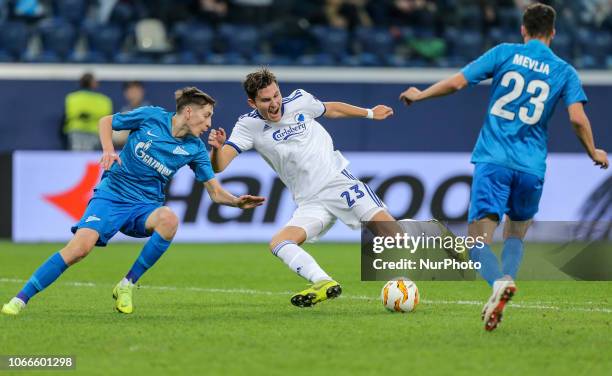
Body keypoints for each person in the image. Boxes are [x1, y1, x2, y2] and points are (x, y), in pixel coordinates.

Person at [398, 3, 609, 331]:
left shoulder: (505, 53)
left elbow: (457, 83)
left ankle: (498, 283)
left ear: (523, 29)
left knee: (478, 242)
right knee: (516, 234)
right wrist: (592, 150)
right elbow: (577, 118)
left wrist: (420, 94)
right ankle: (506, 280)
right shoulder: (564, 70)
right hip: (532, 167)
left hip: (494, 159)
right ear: (553, 33)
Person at [1, 87, 265, 316]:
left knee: (169, 219)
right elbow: (107, 121)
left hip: (145, 207)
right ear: (188, 112)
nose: (209, 123)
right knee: (79, 249)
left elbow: (215, 191)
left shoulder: (194, 148)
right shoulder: (151, 116)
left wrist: (236, 202)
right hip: (112, 195)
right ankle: (19, 300)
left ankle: (127, 284)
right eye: (206, 115)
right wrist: (108, 150)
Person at [208, 67, 400, 308]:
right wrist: (216, 148)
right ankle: (323, 282)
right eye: (266, 100)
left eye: (276, 95)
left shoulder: (300, 100)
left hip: (338, 183)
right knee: (279, 242)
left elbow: (332, 109)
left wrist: (370, 113)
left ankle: (416, 279)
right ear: (252, 101)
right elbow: (220, 165)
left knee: (395, 235)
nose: (274, 103)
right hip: (309, 201)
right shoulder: (248, 126)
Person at [64, 73, 113, 151]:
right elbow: (107, 117)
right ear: (94, 84)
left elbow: (70, 114)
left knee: (76, 157)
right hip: (94, 132)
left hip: (79, 132)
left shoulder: (71, 98)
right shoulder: (104, 100)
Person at [113, 80, 150, 149]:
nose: (134, 94)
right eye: (131, 91)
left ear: (142, 92)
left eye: (137, 90)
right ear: (126, 93)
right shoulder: (122, 113)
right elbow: (117, 138)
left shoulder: (151, 112)